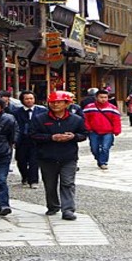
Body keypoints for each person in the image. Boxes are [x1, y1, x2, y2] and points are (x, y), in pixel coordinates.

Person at [28, 91, 88, 220]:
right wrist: (51, 137)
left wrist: (74, 136)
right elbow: (32, 135)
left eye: (59, 102)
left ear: (67, 103)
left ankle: (68, 209)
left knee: (68, 183)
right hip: (47, 157)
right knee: (50, 184)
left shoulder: (76, 119)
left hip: (68, 157)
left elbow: (84, 134)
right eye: (53, 102)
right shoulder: (40, 118)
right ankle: (53, 205)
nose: (55, 105)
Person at [10, 91, 46, 188]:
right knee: (21, 160)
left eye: (31, 98)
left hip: (36, 139)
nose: (29, 100)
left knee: (34, 161)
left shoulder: (42, 111)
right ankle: (25, 176)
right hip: (21, 140)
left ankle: (33, 180)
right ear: (22, 100)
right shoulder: (16, 112)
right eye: (27, 99)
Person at [83, 89, 121, 170]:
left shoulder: (112, 108)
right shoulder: (89, 107)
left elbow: (116, 120)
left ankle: (103, 162)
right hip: (93, 131)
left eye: (105, 97)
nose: (103, 99)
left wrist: (117, 130)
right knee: (94, 148)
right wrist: (88, 128)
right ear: (96, 97)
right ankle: (99, 159)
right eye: (101, 97)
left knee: (105, 147)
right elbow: (85, 119)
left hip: (108, 131)